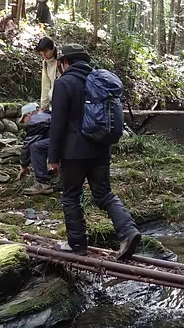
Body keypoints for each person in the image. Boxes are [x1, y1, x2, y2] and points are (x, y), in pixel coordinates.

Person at [47, 44, 141, 258]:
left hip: (73, 153)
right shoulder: (100, 81)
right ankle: (128, 231)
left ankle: (77, 244)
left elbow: (58, 124)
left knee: (71, 196)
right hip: (100, 148)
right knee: (104, 194)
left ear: (65, 63)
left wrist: (53, 158)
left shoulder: (64, 83)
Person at [18, 102, 54, 195]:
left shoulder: (35, 121)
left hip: (65, 142)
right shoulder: (47, 115)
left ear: (29, 114)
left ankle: (43, 183)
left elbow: (28, 145)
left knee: (36, 147)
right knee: (43, 144)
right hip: (72, 140)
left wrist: (24, 165)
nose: (24, 123)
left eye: (23, 120)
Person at [37, 36, 59, 110]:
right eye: (41, 52)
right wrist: (43, 106)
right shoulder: (45, 63)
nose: (43, 54)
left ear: (52, 49)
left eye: (46, 51)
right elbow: (45, 86)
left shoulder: (61, 63)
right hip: (53, 101)